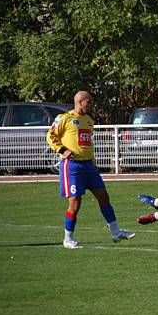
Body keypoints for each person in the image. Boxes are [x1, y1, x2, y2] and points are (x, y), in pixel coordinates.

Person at [46, 91, 135, 249]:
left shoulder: (88, 121)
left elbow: (85, 144)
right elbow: (50, 136)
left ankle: (115, 232)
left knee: (104, 196)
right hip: (72, 166)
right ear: (80, 101)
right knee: (75, 203)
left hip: (89, 166)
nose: (91, 104)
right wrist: (63, 150)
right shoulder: (64, 118)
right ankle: (68, 239)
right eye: (89, 101)